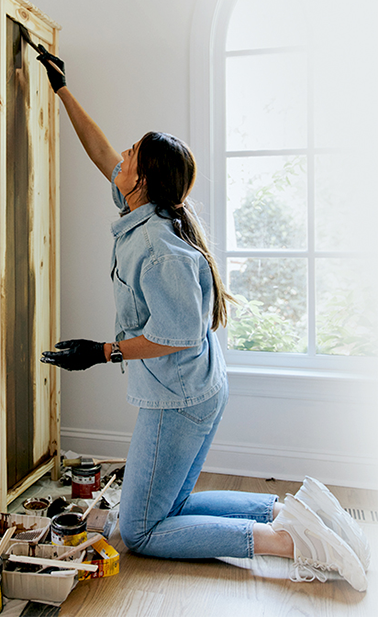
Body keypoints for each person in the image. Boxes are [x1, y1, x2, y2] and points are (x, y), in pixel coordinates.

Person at [36, 49, 371, 592]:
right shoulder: (148, 209)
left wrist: (101, 352)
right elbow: (102, 153)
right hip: (197, 391)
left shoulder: (160, 248)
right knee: (175, 502)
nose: (119, 157)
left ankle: (290, 541)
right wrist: (62, 90)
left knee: (141, 529)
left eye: (130, 156)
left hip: (180, 399)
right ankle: (294, 511)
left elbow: (175, 338)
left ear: (141, 180)